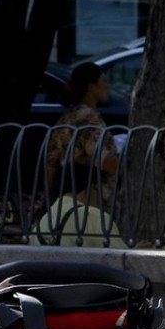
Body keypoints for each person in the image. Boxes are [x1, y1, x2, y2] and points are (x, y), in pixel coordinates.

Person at [40, 62, 120, 246]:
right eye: (103, 81)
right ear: (91, 87)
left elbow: (51, 164)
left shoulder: (66, 117)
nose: (107, 85)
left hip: (65, 196)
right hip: (90, 196)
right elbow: (104, 160)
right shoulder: (89, 118)